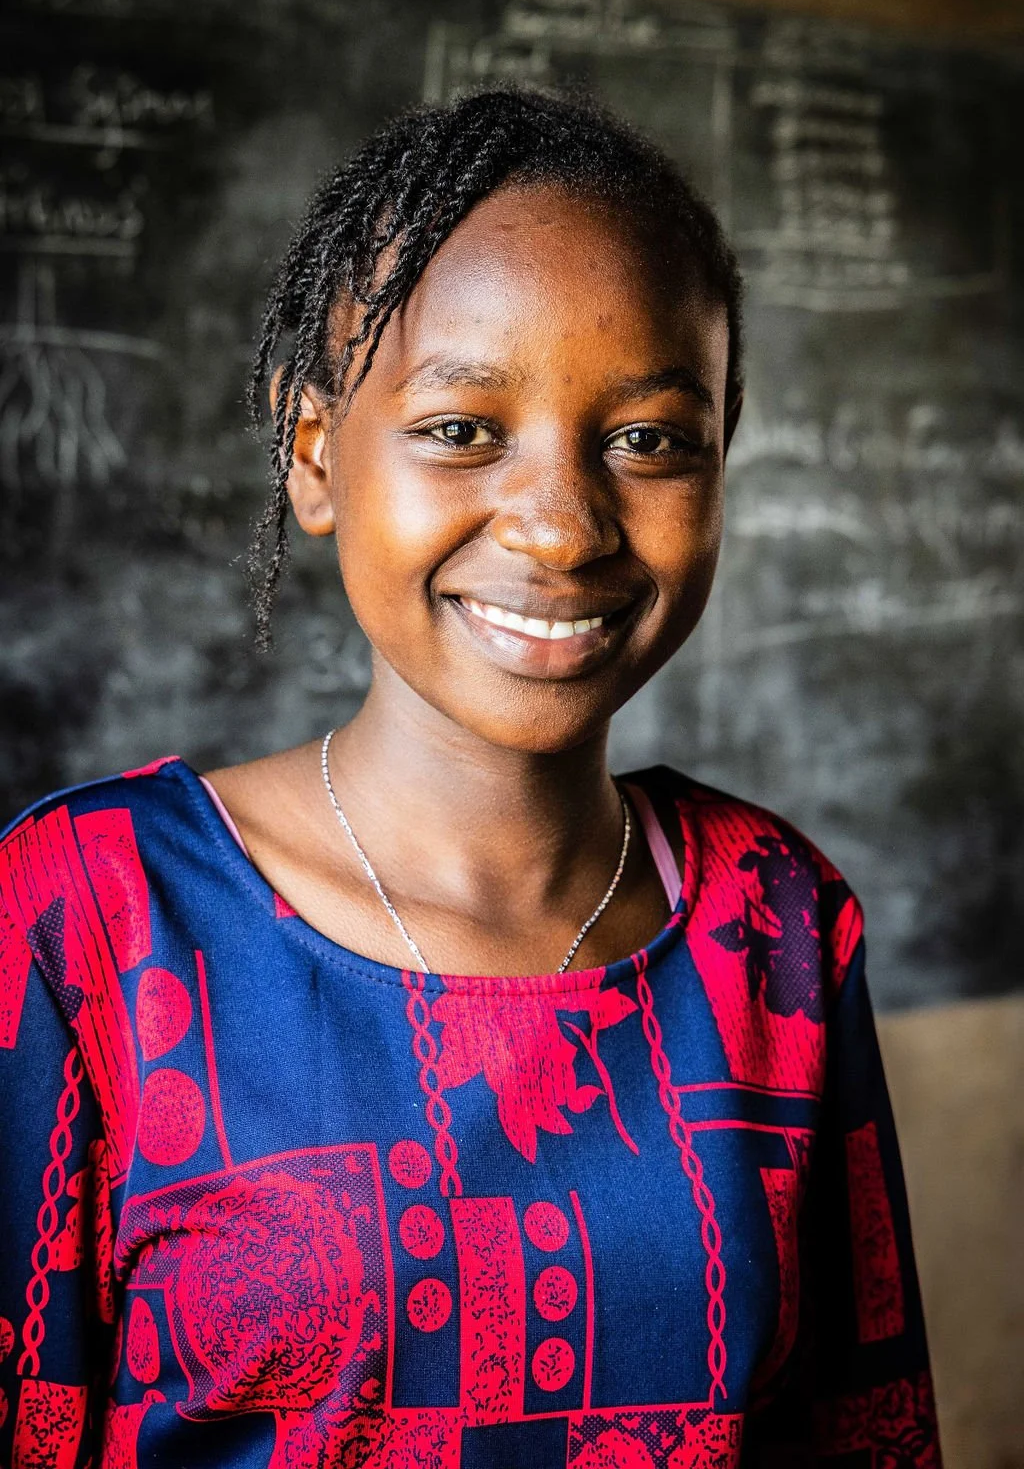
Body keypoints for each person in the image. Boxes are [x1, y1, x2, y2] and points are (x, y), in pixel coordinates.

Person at [0, 89, 940, 1467]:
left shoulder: (778, 921)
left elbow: (868, 1434)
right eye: (461, 428)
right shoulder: (85, 916)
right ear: (315, 452)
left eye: (649, 439)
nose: (561, 525)